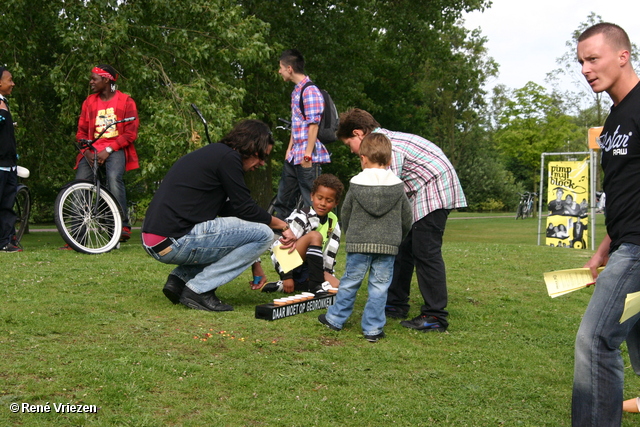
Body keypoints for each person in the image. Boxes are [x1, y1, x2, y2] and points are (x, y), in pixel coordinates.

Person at [142, 119, 297, 312]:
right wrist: (282, 226)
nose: (263, 163)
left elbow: (235, 215)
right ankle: (198, 290)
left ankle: (179, 280)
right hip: (174, 239)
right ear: (251, 146)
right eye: (262, 156)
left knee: (254, 232)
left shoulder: (215, 155)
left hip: (157, 241)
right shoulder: (228, 158)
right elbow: (246, 208)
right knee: (265, 233)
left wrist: (254, 261)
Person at [337, 108, 467, 332]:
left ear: (358, 133)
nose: (352, 152)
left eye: (350, 145)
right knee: (404, 248)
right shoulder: (385, 142)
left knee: (426, 252)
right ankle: (395, 304)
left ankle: (435, 316)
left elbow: (385, 191)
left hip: (434, 190)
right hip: (422, 192)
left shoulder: (387, 147)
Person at [572, 22, 640, 426]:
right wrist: (603, 250)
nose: (585, 69)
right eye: (581, 61)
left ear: (622, 55)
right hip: (624, 244)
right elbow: (623, 193)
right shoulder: (614, 120)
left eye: (593, 59)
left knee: (596, 340)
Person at [318, 133, 413, 342]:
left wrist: (350, 233)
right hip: (387, 246)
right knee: (379, 288)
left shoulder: (356, 184)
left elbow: (346, 214)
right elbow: (407, 217)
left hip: (359, 244)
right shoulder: (398, 187)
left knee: (350, 282)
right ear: (389, 161)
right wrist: (399, 237)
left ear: (363, 158)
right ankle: (373, 329)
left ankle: (335, 319)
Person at [74, 65, 139, 243]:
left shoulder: (126, 101)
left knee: (113, 178)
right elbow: (80, 132)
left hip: (116, 148)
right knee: (79, 185)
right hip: (91, 150)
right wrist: (87, 151)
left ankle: (122, 226)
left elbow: (130, 133)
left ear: (106, 80)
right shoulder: (89, 102)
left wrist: (108, 150)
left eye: (94, 79)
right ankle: (76, 237)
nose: (91, 82)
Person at [258, 174, 343, 294]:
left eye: (329, 200)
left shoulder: (333, 222)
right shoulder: (301, 217)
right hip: (290, 263)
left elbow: (329, 255)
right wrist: (287, 276)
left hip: (311, 268)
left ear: (336, 203)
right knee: (315, 236)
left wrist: (328, 276)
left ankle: (299, 285)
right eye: (320, 198)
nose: (323, 203)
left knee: (337, 286)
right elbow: (278, 247)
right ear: (312, 196)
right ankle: (315, 286)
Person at [272, 49, 331, 219]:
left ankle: (313, 239)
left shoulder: (309, 91)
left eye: (281, 67)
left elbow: (313, 125)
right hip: (294, 154)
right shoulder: (297, 91)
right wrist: (289, 149)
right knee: (284, 198)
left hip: (306, 155)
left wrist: (307, 155)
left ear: (289, 68)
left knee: (310, 200)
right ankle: (281, 236)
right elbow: (297, 124)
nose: (279, 71)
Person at [0, 66, 21, 253]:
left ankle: (6, 242)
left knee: (7, 206)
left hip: (9, 166)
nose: (12, 83)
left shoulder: (4, 103)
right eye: (10, 80)